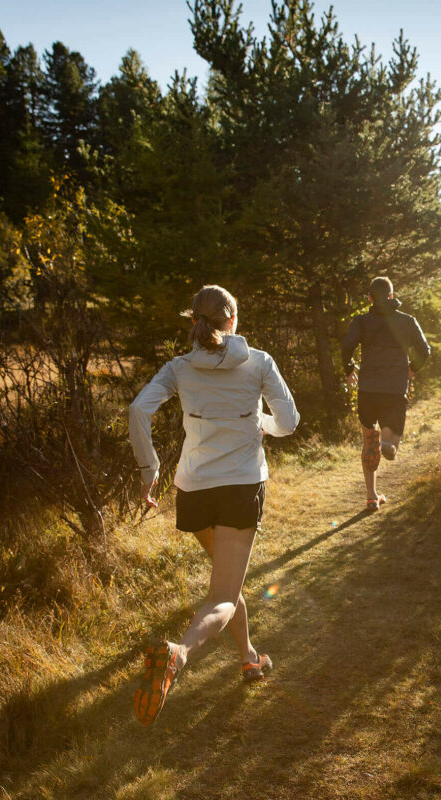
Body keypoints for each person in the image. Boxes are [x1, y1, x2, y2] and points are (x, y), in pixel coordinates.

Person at [127, 285, 299, 726]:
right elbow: (290, 422)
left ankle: (249, 659)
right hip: (240, 487)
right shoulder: (259, 361)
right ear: (233, 321)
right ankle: (178, 655)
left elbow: (137, 411)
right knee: (223, 595)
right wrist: (259, 422)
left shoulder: (179, 368)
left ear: (194, 323)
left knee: (227, 582)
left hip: (194, 489)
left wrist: (150, 470)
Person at [341, 276, 430, 510]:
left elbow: (346, 346)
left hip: (368, 389)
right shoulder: (408, 321)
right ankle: (388, 445)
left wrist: (349, 369)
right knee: (390, 438)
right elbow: (424, 349)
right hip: (394, 388)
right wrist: (413, 368)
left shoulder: (361, 322)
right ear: (391, 296)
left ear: (370, 298)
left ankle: (371, 496)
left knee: (368, 439)